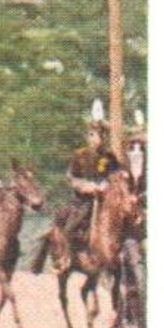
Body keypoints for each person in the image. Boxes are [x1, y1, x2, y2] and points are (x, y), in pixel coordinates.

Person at [56, 104, 121, 249]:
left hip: (106, 200)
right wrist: (85, 186)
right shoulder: (80, 155)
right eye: (94, 134)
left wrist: (107, 185)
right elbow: (71, 177)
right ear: (89, 136)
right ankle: (66, 257)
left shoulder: (110, 156)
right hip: (83, 200)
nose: (99, 139)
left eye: (102, 135)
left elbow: (116, 176)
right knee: (70, 229)